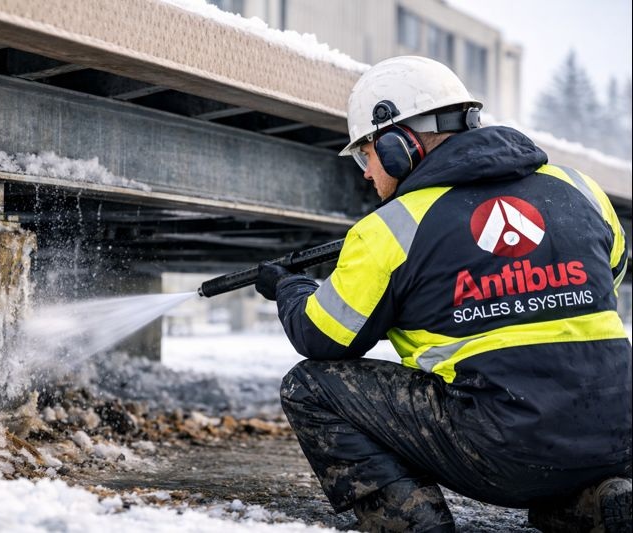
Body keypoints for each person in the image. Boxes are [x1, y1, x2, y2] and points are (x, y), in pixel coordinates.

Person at [255, 55, 632, 533]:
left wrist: (291, 288)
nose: (366, 174)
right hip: (616, 437)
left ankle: (412, 520)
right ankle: (594, 502)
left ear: (398, 145)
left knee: (309, 386)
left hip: (501, 451)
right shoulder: (580, 189)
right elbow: (611, 274)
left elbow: (322, 337)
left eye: (365, 156)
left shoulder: (393, 228)